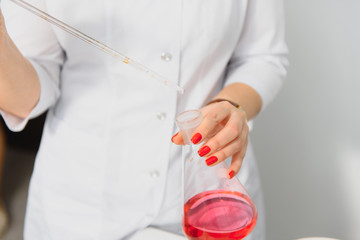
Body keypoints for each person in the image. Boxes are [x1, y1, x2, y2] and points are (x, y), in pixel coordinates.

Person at [0, 0, 288, 239]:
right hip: (85, 206)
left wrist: (229, 104)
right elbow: (27, 97)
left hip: (211, 199)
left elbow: (263, 56)